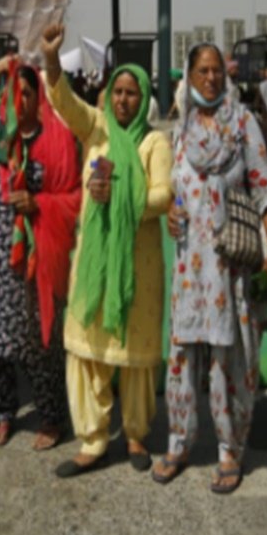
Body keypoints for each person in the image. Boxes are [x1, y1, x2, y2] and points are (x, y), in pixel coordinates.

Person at [156, 42, 267, 494]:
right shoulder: (182, 128)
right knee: (183, 356)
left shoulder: (243, 123)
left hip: (230, 267)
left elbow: (264, 188)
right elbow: (177, 187)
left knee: (229, 358)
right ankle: (179, 441)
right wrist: (171, 211)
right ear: (190, 77)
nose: (211, 78)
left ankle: (230, 449)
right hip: (189, 264)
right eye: (203, 71)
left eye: (217, 71)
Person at [41, 25, 172, 477]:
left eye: (132, 94)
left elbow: (163, 196)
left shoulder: (155, 142)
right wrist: (51, 58)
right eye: (117, 92)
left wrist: (117, 196)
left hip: (140, 264)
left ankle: (135, 433)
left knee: (135, 357)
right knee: (87, 350)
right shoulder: (95, 130)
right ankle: (93, 440)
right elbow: (63, 101)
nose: (122, 101)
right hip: (96, 262)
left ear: (144, 98)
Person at [0, 52, 81, 450]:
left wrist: (39, 203)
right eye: (14, 92)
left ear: (37, 96)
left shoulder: (54, 139)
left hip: (29, 260)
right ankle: (4, 412)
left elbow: (71, 196)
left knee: (36, 344)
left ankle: (50, 419)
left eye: (27, 92)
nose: (20, 100)